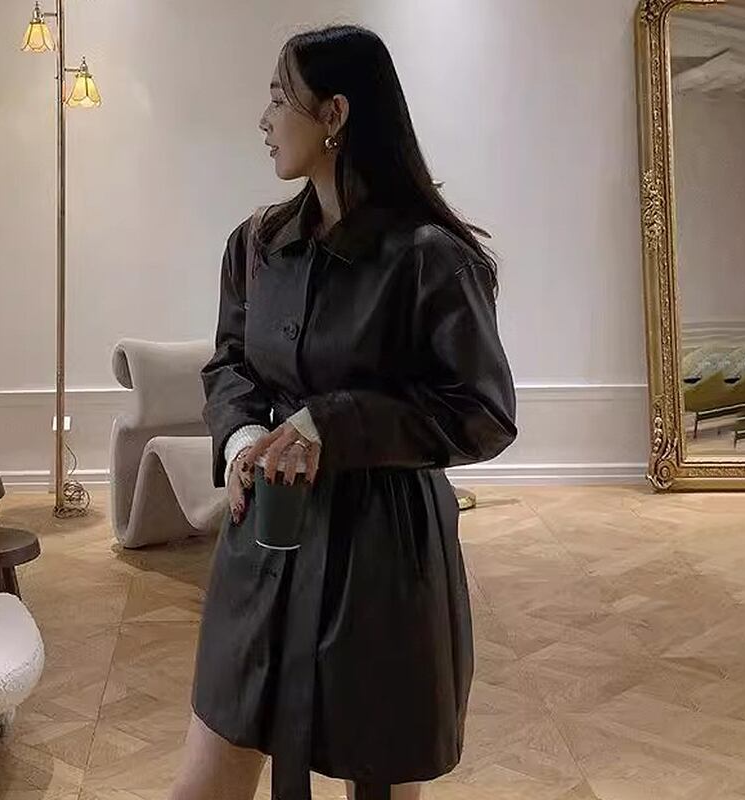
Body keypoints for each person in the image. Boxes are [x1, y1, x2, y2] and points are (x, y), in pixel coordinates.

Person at [170, 23, 517, 800]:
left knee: (381, 774)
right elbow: (229, 363)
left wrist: (333, 422)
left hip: (384, 554)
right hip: (263, 537)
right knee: (211, 768)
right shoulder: (256, 245)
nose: (264, 119)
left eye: (278, 99)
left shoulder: (432, 258)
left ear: (334, 114)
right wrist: (244, 436)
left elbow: (483, 411)